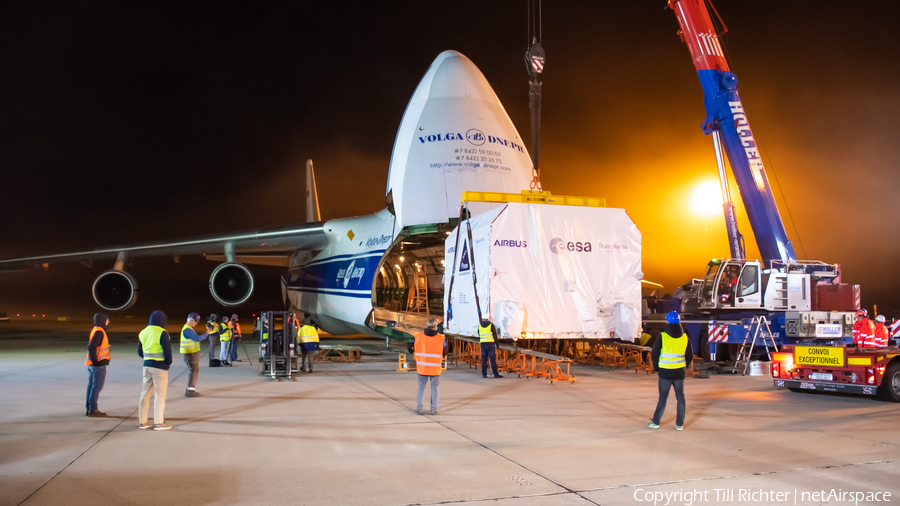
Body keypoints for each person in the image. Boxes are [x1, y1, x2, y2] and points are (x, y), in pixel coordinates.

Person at [648, 311, 693, 431]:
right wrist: (684, 366)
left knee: (663, 398)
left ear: (667, 321)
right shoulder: (685, 337)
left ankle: (656, 422)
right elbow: (689, 356)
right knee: (680, 398)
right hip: (679, 373)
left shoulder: (662, 336)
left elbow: (655, 353)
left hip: (665, 373)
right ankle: (679, 425)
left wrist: (656, 368)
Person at [138, 310, 173, 430]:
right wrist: (167, 363)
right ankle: (159, 422)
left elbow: (139, 351)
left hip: (146, 366)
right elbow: (167, 352)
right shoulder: (162, 332)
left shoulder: (143, 332)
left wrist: (148, 359)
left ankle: (143, 422)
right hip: (160, 367)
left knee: (145, 394)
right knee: (160, 395)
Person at [414, 318, 446, 415]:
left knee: (421, 388)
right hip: (435, 368)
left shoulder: (418, 337)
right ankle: (433, 409)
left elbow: (415, 348)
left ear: (427, 326)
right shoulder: (441, 338)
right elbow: (445, 352)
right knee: (435, 388)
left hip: (422, 368)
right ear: (435, 326)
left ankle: (419, 409)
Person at [85, 312, 111, 417]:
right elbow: (92, 346)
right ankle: (93, 410)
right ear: (103, 320)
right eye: (107, 319)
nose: (108, 321)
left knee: (91, 387)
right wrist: (95, 361)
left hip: (92, 365)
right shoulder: (100, 332)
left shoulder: (95, 330)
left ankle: (89, 408)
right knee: (96, 387)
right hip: (97, 365)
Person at [180, 312, 208, 397]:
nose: (196, 324)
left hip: (191, 354)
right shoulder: (187, 330)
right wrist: (207, 333)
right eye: (196, 322)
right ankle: (190, 391)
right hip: (190, 354)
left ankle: (189, 389)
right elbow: (197, 338)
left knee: (193, 370)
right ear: (191, 320)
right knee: (193, 371)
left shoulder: (189, 328)